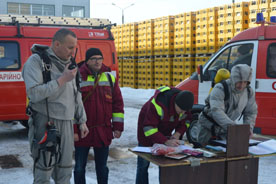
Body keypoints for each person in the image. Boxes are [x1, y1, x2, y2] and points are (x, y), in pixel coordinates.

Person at [22, 28, 89, 184]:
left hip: (67, 123)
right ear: (57, 44)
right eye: (70, 47)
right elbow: (34, 93)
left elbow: (76, 93)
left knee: (65, 171)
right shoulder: (36, 61)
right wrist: (62, 79)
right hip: (45, 122)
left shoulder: (71, 64)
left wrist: (82, 120)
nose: (73, 52)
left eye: (75, 48)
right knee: (43, 172)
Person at [73, 48, 124, 184]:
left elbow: (117, 104)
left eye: (99, 58)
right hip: (83, 131)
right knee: (79, 168)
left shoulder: (109, 78)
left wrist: (118, 126)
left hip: (103, 131)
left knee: (102, 167)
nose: (97, 61)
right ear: (87, 61)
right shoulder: (77, 77)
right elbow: (71, 107)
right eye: (93, 59)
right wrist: (74, 130)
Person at [188, 64, 258, 147]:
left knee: (225, 153)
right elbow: (217, 111)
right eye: (239, 81)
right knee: (205, 153)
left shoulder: (249, 91)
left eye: (245, 82)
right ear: (233, 79)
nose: (242, 85)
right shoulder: (220, 88)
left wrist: (248, 128)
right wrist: (233, 128)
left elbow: (251, 112)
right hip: (208, 128)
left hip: (226, 129)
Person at [135, 86, 194, 184]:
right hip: (146, 133)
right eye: (181, 110)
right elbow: (149, 128)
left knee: (164, 164)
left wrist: (178, 133)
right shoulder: (158, 104)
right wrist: (166, 141)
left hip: (165, 132)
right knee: (143, 164)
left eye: (185, 111)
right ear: (175, 103)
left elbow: (186, 121)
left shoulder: (184, 104)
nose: (183, 113)